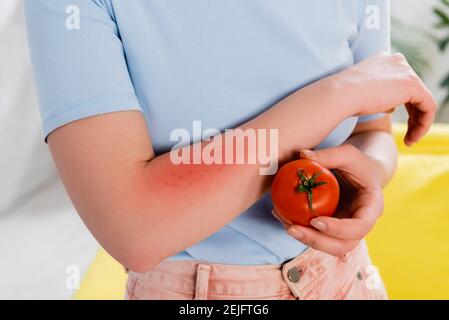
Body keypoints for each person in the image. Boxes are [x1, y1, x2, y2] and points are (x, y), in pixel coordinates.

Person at [24, 0, 435, 300]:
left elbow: (372, 127)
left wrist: (369, 172)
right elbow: (134, 229)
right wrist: (335, 96)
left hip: (349, 281)